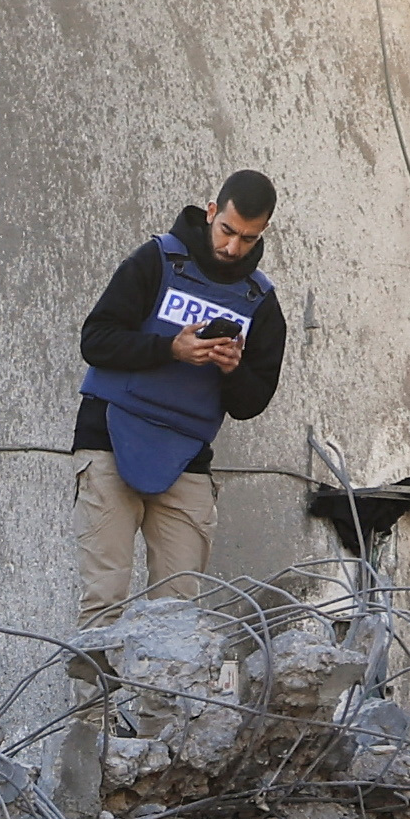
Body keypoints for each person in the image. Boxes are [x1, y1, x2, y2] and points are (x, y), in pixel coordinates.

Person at [75, 170, 289, 621]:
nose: (232, 247)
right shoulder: (155, 261)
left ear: (263, 232)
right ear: (211, 212)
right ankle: (96, 695)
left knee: (178, 617)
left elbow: (252, 403)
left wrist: (232, 369)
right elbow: (95, 340)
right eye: (227, 231)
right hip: (111, 434)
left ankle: (164, 697)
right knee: (103, 602)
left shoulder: (260, 301)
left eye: (247, 239)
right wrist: (169, 347)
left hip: (187, 455)